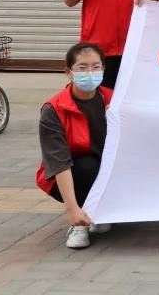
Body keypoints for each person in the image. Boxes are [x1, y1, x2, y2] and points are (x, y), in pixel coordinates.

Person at [36, 42, 112, 249]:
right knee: (86, 166)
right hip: (74, 172)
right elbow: (59, 162)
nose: (90, 73)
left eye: (96, 67)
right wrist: (72, 210)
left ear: (103, 69)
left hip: (108, 169)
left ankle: (103, 211)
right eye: (82, 67)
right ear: (69, 72)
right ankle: (79, 224)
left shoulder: (113, 100)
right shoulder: (54, 109)